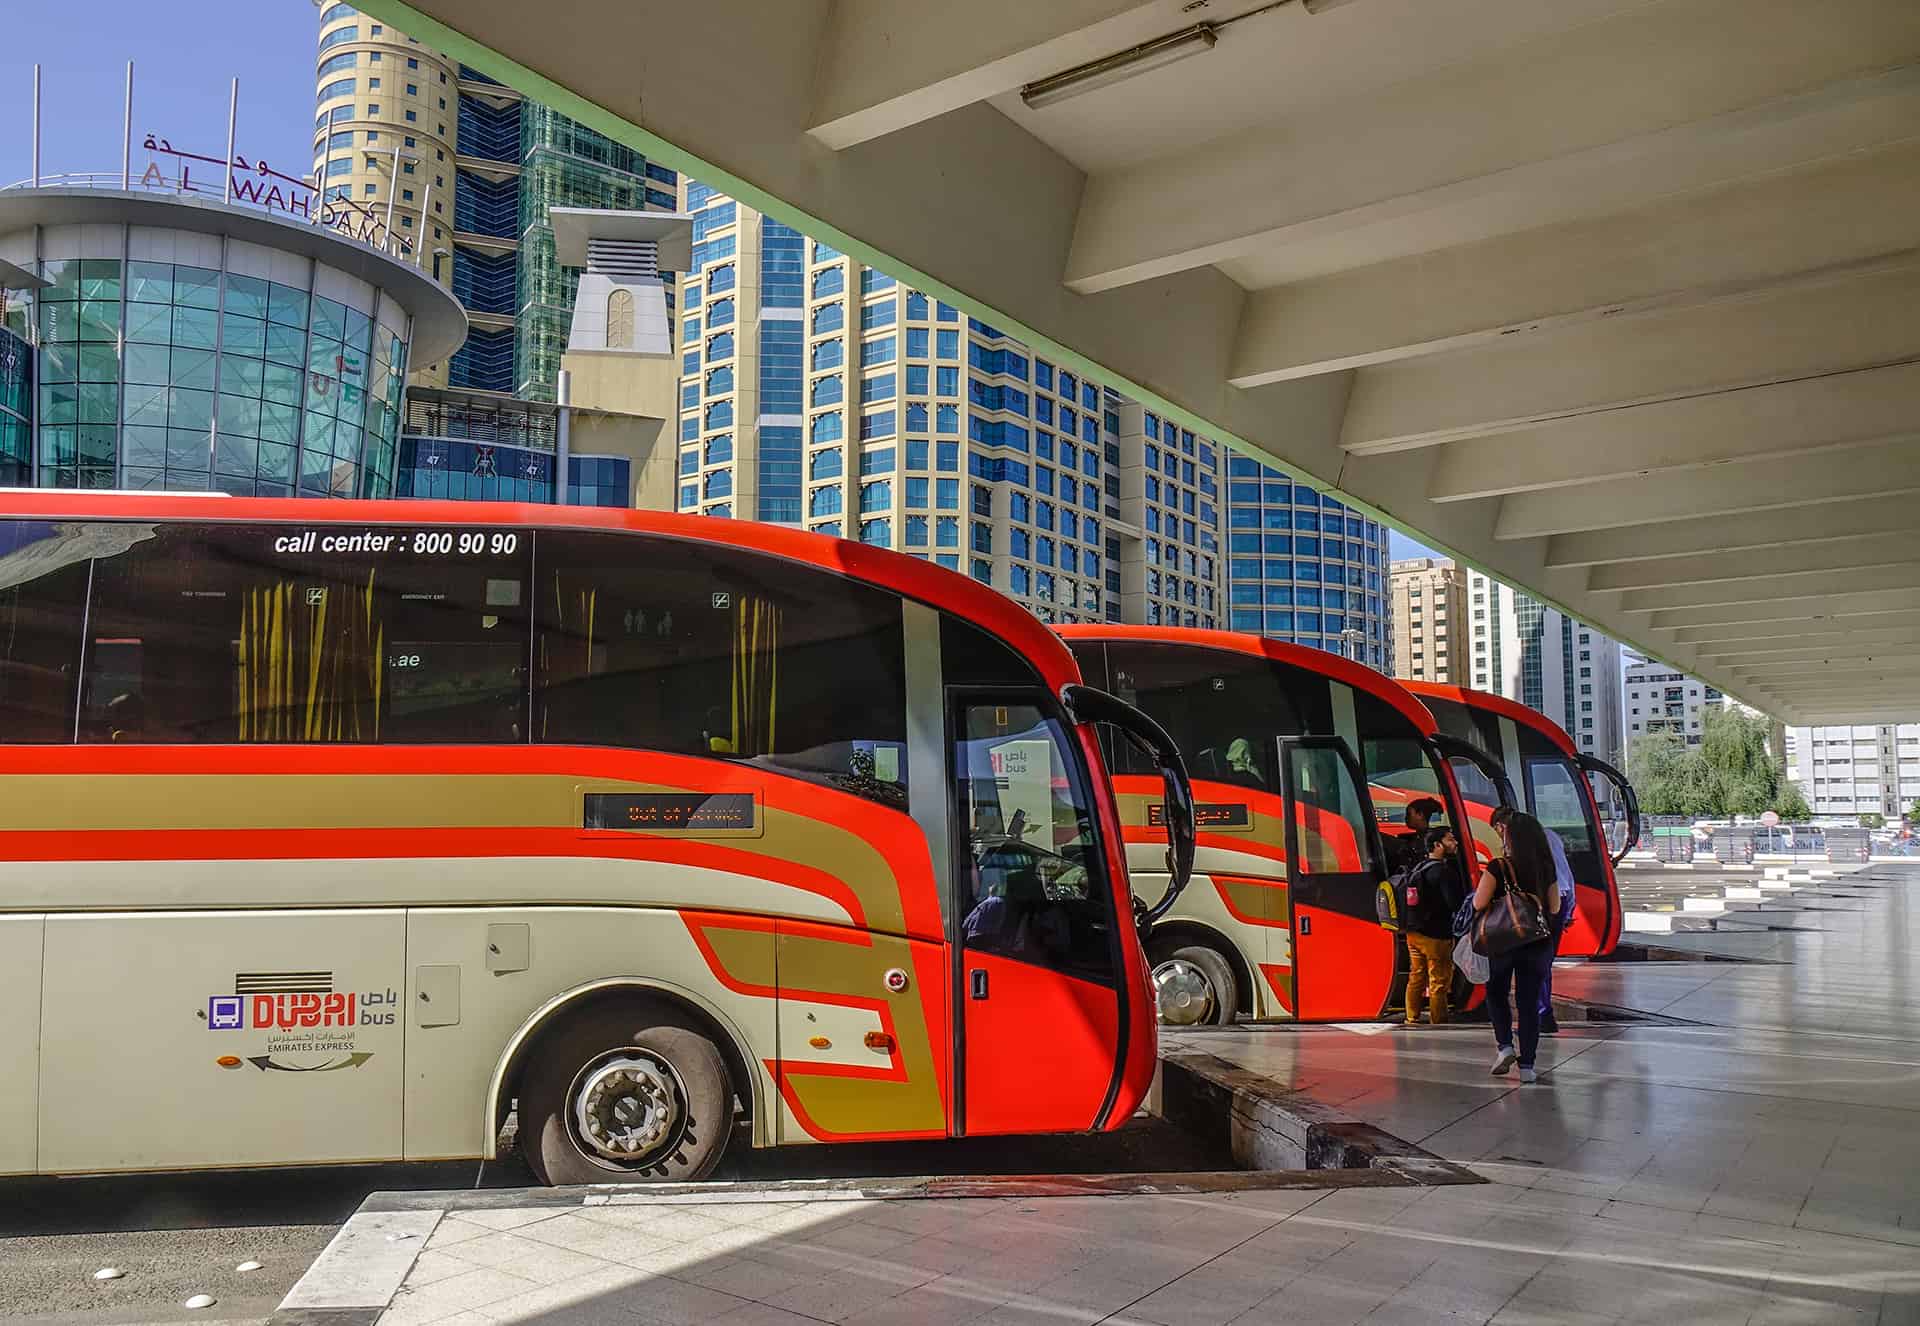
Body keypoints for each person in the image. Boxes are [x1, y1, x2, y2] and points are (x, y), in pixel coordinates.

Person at [1472, 809, 1560, 1083]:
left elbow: (1478, 903)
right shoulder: (1546, 867)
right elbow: (1555, 907)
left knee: (1496, 993)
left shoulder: (1498, 866)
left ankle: (1505, 1046)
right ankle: (1527, 1067)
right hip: (1536, 942)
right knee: (1528, 1003)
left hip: (1503, 942)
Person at [1492, 806, 1576, 1034]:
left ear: (1502, 826)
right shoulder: (1550, 837)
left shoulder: (1516, 848)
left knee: (1529, 964)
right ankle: (1543, 1014)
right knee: (1542, 963)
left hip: (1531, 908)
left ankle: (1540, 1016)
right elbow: (1566, 874)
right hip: (1556, 902)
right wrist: (1569, 910)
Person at [1402, 825, 1464, 1025]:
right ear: (1438, 845)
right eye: (1450, 840)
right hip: (1437, 934)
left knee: (1416, 976)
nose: (1455, 843)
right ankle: (1439, 1020)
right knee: (1439, 980)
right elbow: (1455, 903)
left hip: (1414, 932)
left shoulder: (1418, 868)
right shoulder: (1444, 872)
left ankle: (1411, 1017)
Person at [1388, 797, 1446, 875]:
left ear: (1420, 815)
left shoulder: (1428, 841)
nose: (1405, 818)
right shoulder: (1415, 839)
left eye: (1409, 814)